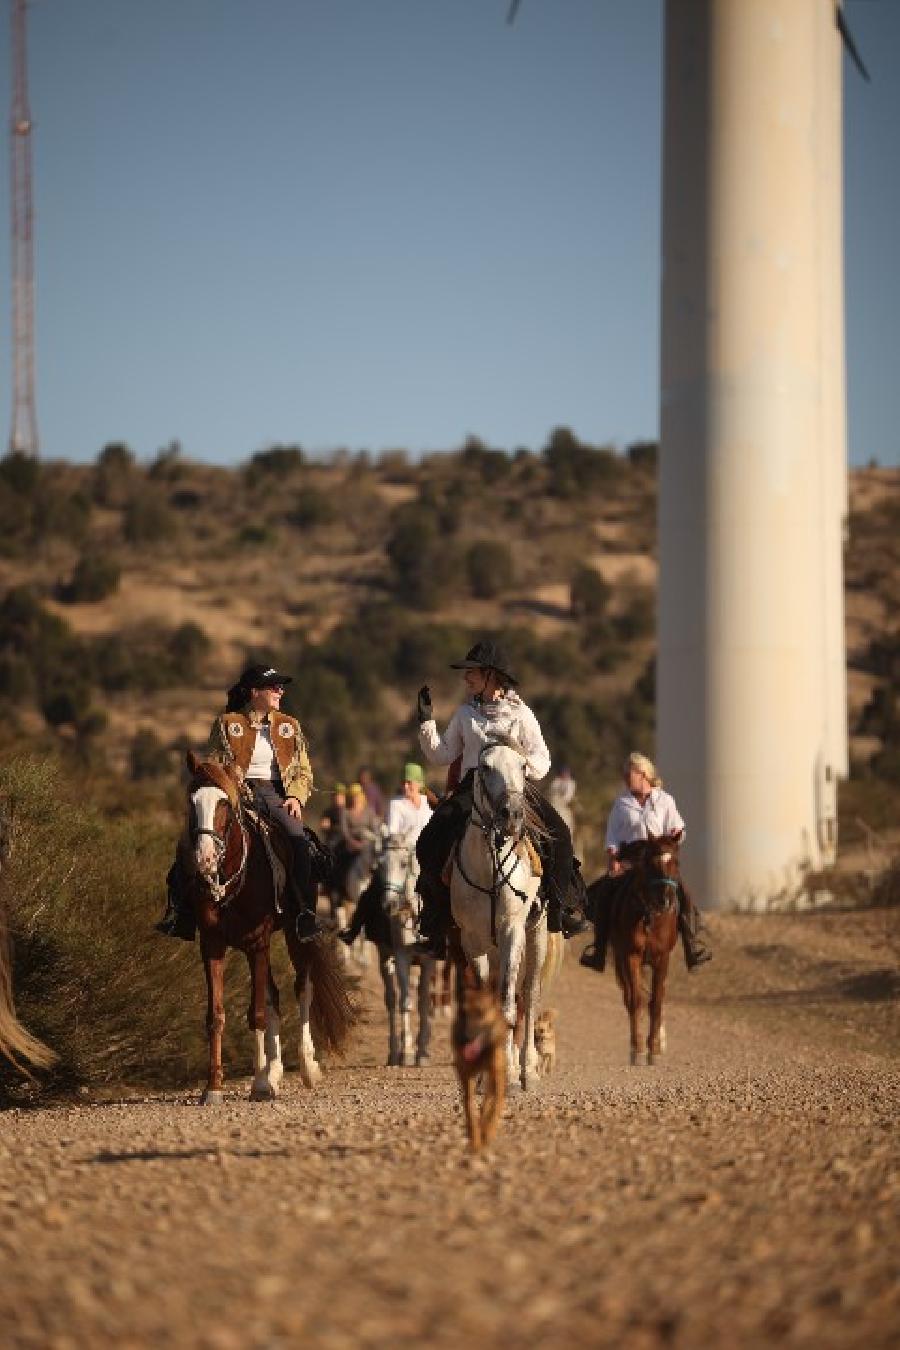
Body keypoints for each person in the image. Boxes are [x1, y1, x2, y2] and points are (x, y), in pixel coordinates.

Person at [413, 639, 589, 957]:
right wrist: (427, 722)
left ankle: (559, 910)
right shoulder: (465, 713)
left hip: (513, 786)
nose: (466, 679)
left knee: (560, 833)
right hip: (473, 787)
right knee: (428, 839)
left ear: (491, 675)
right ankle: (435, 920)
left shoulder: (521, 713)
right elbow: (442, 755)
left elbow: (542, 759)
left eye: (472, 673)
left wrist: (519, 768)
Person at [156, 663, 325, 942]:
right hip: (234, 791)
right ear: (254, 691)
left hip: (275, 794)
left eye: (280, 687)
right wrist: (227, 782)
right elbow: (212, 763)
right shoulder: (227, 723)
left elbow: (302, 770)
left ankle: (304, 914)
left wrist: (295, 796)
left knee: (298, 838)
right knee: (189, 841)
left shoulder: (289, 726)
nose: (280, 691)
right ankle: (181, 913)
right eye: (273, 687)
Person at [582, 751, 712, 971]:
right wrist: (613, 857)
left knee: (684, 896)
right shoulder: (621, 804)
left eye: (629, 772)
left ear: (643, 774)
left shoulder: (665, 800)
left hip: (657, 860)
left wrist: (675, 836)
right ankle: (599, 950)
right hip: (630, 859)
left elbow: (678, 828)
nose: (625, 776)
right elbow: (612, 834)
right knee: (602, 893)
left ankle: (692, 948)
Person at [339, 762, 433, 946]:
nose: (406, 786)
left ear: (420, 783)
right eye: (403, 782)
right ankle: (354, 928)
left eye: (410, 782)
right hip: (400, 855)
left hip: (426, 857)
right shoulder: (396, 804)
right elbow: (392, 832)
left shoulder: (428, 805)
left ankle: (440, 937)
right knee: (374, 887)